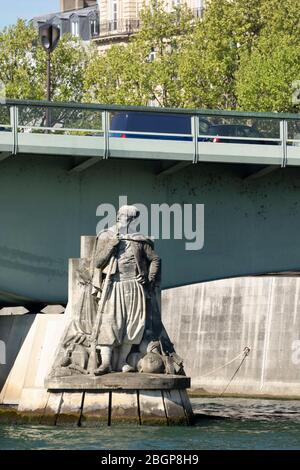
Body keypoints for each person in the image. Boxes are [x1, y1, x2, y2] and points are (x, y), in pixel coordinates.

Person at [92, 205, 160, 374]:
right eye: (121, 216)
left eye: (128, 218)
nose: (123, 219)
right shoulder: (106, 235)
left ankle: (122, 361)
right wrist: (110, 245)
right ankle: (106, 363)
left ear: (133, 220)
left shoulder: (139, 240)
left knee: (132, 324)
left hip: (134, 286)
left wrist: (148, 277)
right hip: (113, 284)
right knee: (109, 322)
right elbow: (97, 262)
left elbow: (155, 259)